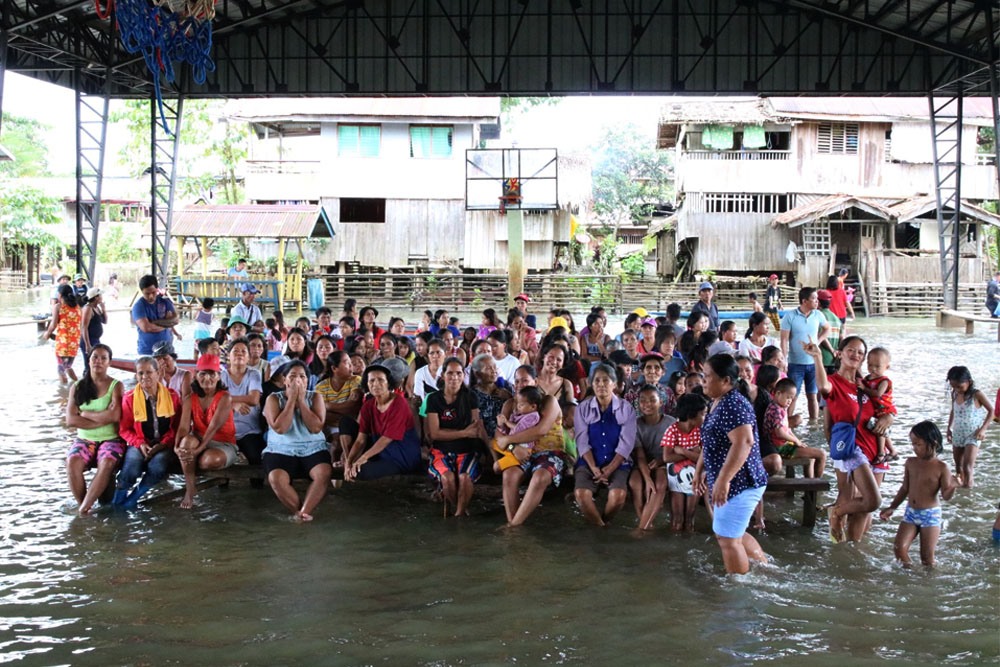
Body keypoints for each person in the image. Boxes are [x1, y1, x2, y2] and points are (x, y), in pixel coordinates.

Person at [692, 354, 769, 574]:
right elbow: (709, 441)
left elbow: (744, 442)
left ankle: (738, 586)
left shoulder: (734, 404)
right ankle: (762, 566)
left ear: (726, 381)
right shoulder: (717, 401)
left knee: (727, 539)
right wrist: (699, 471)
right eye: (703, 376)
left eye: (708, 377)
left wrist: (723, 480)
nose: (703, 381)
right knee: (731, 532)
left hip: (741, 482)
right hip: (728, 480)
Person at [816, 335, 887, 544]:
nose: (856, 355)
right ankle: (837, 513)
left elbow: (885, 409)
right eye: (851, 350)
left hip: (875, 447)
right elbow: (822, 390)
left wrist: (889, 418)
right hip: (851, 449)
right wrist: (817, 357)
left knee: (864, 515)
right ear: (839, 353)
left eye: (860, 352)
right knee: (872, 500)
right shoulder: (833, 383)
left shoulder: (866, 385)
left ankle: (852, 554)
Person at [495, 366, 568, 526]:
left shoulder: (549, 401)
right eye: (517, 381)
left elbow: (540, 431)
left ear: (535, 381)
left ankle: (513, 526)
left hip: (550, 453)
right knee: (509, 475)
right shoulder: (510, 404)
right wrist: (514, 447)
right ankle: (513, 522)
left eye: (525, 380)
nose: (520, 384)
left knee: (540, 477)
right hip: (521, 453)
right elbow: (499, 435)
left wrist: (508, 441)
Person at [262, 359, 332, 520]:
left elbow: (315, 428)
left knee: (323, 473)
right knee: (276, 478)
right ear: (284, 379)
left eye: (302, 376)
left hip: (313, 447)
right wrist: (292, 401)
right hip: (280, 448)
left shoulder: (315, 397)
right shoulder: (273, 399)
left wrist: (301, 400)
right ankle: (300, 511)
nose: (297, 380)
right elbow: (280, 428)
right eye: (292, 376)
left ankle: (304, 512)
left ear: (308, 380)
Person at [879, 421, 957, 567]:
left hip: (930, 515)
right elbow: (904, 488)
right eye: (913, 444)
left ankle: (928, 583)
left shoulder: (942, 467)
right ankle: (909, 578)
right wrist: (892, 507)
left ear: (933, 443)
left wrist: (953, 486)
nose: (914, 448)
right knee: (899, 549)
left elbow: (946, 496)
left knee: (927, 559)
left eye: (918, 444)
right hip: (911, 513)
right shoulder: (911, 462)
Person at [573, 363, 636, 527]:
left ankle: (603, 521)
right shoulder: (582, 408)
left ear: (614, 384)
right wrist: (594, 468)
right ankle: (601, 528)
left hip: (617, 463)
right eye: (597, 381)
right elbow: (581, 440)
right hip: (588, 463)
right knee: (581, 494)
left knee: (618, 497)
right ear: (591, 384)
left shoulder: (626, 408)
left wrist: (608, 470)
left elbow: (626, 444)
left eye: (606, 380)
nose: (601, 385)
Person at [115, 356, 182, 507]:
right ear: (136, 376)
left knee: (157, 466)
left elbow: (177, 428)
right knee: (131, 465)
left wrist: (163, 444)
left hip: (165, 444)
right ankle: (118, 500)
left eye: (149, 372)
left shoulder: (172, 396)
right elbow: (124, 429)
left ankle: (133, 498)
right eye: (140, 373)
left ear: (158, 373)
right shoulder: (129, 398)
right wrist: (140, 444)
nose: (145, 377)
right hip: (140, 442)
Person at [64, 345, 124, 514]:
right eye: (95, 357)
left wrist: (85, 413)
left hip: (111, 439)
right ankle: (84, 505)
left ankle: (83, 510)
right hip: (85, 439)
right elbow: (70, 420)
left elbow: (114, 417)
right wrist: (103, 418)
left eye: (103, 358)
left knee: (107, 462)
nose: (98, 361)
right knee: (72, 462)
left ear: (109, 363)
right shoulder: (77, 386)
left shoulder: (116, 385)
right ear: (88, 360)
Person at [175, 354, 239, 509]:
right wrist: (177, 447)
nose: (207, 378)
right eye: (203, 374)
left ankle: (194, 458)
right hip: (198, 440)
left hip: (223, 443)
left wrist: (196, 451)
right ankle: (190, 488)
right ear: (196, 375)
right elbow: (183, 427)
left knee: (208, 461)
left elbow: (213, 428)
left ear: (218, 376)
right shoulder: (190, 398)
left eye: (212, 374)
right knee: (186, 442)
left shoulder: (225, 397)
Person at [425, 358, 486, 517]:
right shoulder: (434, 399)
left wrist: (450, 433)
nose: (454, 377)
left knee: (465, 478)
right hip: (441, 451)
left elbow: (475, 428)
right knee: (447, 478)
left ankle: (459, 514)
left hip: (467, 451)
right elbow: (435, 434)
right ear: (443, 375)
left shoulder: (471, 397)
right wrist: (463, 433)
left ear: (464, 375)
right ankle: (461, 509)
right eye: (450, 373)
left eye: (459, 373)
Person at [343, 365, 422, 481]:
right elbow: (361, 439)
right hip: (380, 451)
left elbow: (387, 438)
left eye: (380, 380)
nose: (376, 384)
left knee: (359, 473)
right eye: (371, 381)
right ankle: (346, 462)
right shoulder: (368, 406)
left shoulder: (399, 403)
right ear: (367, 384)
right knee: (345, 423)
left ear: (388, 383)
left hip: (400, 456)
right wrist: (349, 461)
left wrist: (363, 458)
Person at [780, 287, 830, 420]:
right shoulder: (790, 316)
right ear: (804, 301)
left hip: (813, 363)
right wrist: (784, 359)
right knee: (792, 396)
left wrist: (817, 342)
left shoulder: (818, 315)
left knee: (812, 395)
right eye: (814, 299)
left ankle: (813, 424)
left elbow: (827, 329)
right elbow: (784, 339)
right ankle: (787, 423)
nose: (817, 301)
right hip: (795, 363)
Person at [630, 384, 675, 530]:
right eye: (642, 400)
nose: (647, 404)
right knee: (635, 482)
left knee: (660, 484)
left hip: (664, 462)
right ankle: (644, 522)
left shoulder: (671, 423)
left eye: (652, 400)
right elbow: (640, 456)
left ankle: (643, 526)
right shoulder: (635, 424)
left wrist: (661, 461)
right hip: (642, 464)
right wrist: (648, 478)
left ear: (660, 402)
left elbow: (675, 452)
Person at [762, 378, 827, 478]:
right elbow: (780, 433)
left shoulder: (778, 407)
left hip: (781, 445)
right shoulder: (776, 410)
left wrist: (797, 441)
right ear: (778, 393)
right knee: (821, 454)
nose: (790, 401)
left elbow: (787, 429)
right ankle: (816, 485)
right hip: (779, 448)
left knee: (811, 456)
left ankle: (810, 487)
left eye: (792, 399)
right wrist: (796, 441)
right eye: (788, 397)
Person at [662, 393, 707, 532]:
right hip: (675, 476)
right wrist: (694, 453)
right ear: (691, 415)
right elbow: (667, 458)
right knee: (677, 519)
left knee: (689, 519)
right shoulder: (672, 430)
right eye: (703, 414)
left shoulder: (700, 430)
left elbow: (703, 458)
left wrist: (682, 451)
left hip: (696, 475)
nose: (705, 417)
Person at [945, 366, 991, 488]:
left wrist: (983, 429)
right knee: (958, 467)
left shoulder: (977, 394)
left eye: (959, 386)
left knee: (967, 467)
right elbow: (953, 410)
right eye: (953, 386)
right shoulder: (954, 393)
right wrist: (949, 428)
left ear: (969, 382)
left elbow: (991, 411)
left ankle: (968, 491)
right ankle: (961, 497)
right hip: (958, 433)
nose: (956, 389)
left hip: (973, 434)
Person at [223, 338, 265, 466]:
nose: (239, 354)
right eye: (235, 351)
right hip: (225, 429)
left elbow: (254, 399)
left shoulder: (254, 374)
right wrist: (233, 405)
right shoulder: (221, 375)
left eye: (243, 351)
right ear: (228, 356)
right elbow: (215, 401)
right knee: (222, 468)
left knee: (255, 459)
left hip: (250, 429)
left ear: (248, 357)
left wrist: (227, 400)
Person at [858, 347, 897, 465]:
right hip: (876, 409)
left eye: (877, 366)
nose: (873, 369)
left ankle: (881, 453)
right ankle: (893, 451)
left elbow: (878, 394)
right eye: (870, 365)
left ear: (887, 367)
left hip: (884, 408)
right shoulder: (867, 378)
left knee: (880, 430)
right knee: (882, 431)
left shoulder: (884, 381)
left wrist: (864, 389)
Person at [41, 284, 83, 383]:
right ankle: (78, 386)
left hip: (63, 343)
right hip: (74, 342)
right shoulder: (78, 307)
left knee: (61, 370)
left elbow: (53, 324)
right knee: (68, 366)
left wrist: (47, 333)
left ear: (59, 295)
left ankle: (63, 395)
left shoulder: (59, 307)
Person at [131, 274, 178, 355]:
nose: (150, 296)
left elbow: (175, 321)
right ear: (142, 291)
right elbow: (147, 328)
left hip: (167, 350)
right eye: (147, 293)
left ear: (157, 289)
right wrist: (167, 323)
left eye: (153, 292)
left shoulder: (165, 302)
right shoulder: (138, 306)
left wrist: (154, 322)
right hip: (147, 351)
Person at [469, 353, 513, 439]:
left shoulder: (505, 386)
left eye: (494, 366)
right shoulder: (472, 394)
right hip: (484, 439)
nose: (494, 370)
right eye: (488, 368)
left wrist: (509, 397)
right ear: (478, 374)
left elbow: (520, 408)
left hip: (508, 435)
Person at [816, 290, 843, 374]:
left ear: (818, 303)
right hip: (834, 360)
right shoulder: (836, 318)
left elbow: (821, 336)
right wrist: (838, 352)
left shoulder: (819, 316)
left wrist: (831, 350)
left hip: (823, 359)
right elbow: (841, 338)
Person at [80, 287, 107, 356]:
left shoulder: (96, 307)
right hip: (89, 340)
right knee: (89, 363)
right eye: (100, 295)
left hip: (96, 339)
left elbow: (105, 321)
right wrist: (87, 345)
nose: (102, 297)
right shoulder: (88, 308)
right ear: (96, 297)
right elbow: (84, 327)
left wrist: (103, 309)